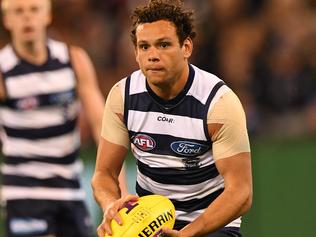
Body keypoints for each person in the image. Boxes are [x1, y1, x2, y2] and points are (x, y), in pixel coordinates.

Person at [91, 0, 253, 236]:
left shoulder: (218, 103)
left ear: (186, 47)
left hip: (211, 224)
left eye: (164, 45)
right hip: (150, 222)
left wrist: (186, 234)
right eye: (144, 47)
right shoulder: (123, 97)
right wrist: (110, 206)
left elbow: (241, 193)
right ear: (135, 52)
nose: (152, 56)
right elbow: (103, 174)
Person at [0, 0, 127, 236]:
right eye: (18, 11)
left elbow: (103, 127)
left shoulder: (73, 60)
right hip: (24, 192)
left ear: (47, 15)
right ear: (7, 20)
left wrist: (122, 190)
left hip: (69, 189)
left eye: (34, 9)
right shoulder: (3, 69)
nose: (27, 17)